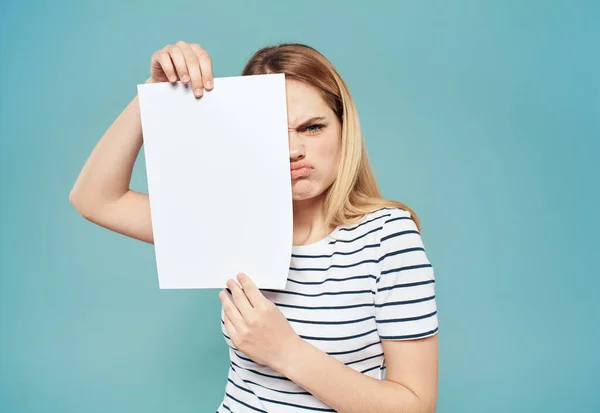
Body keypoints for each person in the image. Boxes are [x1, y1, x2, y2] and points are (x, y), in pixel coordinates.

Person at [69, 40, 439, 413]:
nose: (294, 149)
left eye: (312, 127)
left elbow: (416, 405)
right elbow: (96, 199)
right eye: (273, 132)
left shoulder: (387, 237)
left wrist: (287, 352)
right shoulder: (231, 223)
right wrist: (153, 92)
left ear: (344, 129)